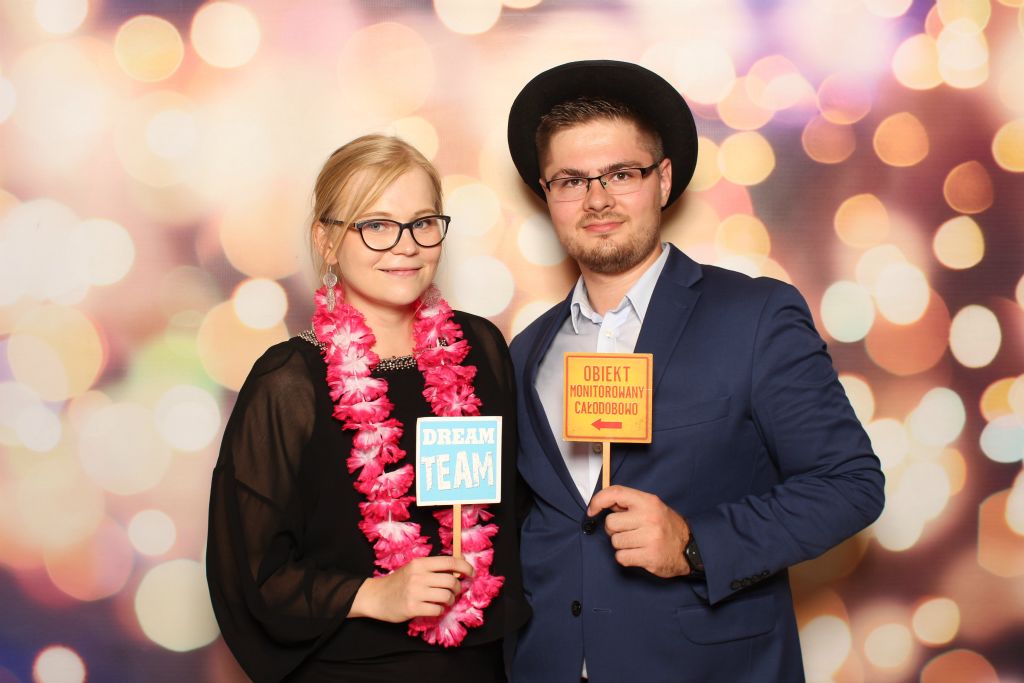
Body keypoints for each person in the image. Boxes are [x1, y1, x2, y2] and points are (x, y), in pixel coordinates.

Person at [505, 60, 885, 682]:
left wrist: (692, 543)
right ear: (548, 195)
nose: (597, 199)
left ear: (663, 180)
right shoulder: (527, 350)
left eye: (621, 174)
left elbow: (850, 485)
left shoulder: (754, 316)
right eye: (571, 180)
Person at [207, 135, 529, 683]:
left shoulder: (480, 349)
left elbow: (516, 516)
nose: (406, 246)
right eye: (377, 225)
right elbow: (250, 575)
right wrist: (374, 594)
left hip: (480, 667)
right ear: (327, 241)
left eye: (422, 222)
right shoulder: (288, 382)